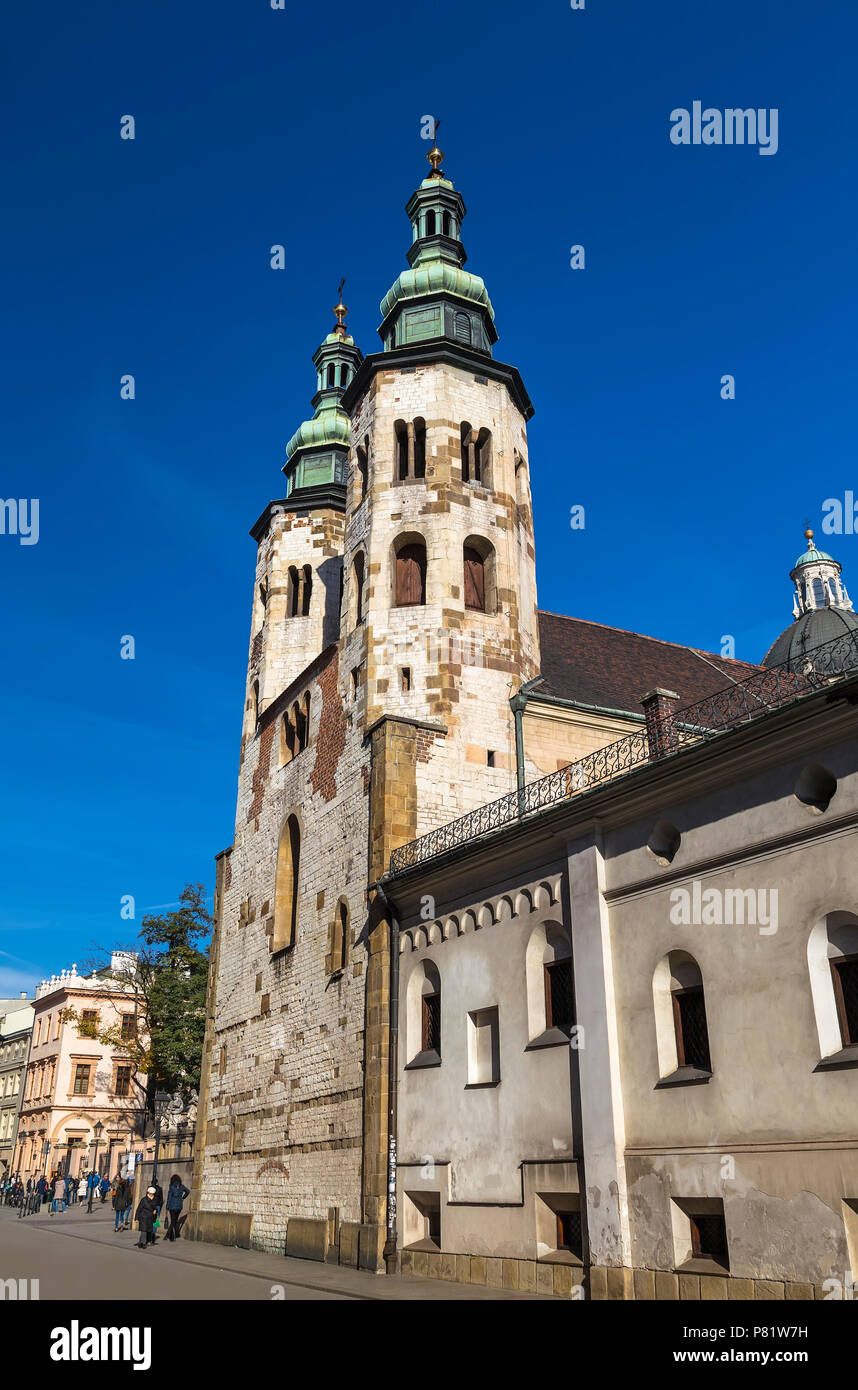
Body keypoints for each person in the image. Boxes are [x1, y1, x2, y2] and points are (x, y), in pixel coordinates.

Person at [164, 1174, 190, 1241]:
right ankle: (170, 1235)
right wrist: (183, 1197)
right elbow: (188, 1191)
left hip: (172, 1207)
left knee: (173, 1221)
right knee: (175, 1221)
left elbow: (169, 1198)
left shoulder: (172, 1187)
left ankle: (172, 1237)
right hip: (179, 1206)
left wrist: (167, 1207)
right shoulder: (182, 1186)